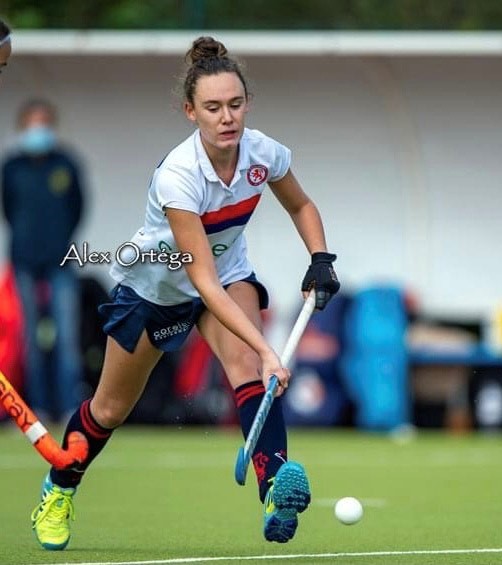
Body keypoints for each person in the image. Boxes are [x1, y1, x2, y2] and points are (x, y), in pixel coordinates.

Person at [29, 36, 340, 550]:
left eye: (236, 105)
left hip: (227, 271)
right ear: (190, 111)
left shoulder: (264, 153)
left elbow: (301, 206)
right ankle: (60, 487)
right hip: (158, 286)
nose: (227, 118)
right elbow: (200, 283)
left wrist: (320, 258)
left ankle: (274, 490)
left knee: (246, 369)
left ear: (247, 105)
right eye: (214, 107)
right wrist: (270, 350)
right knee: (109, 409)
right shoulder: (179, 176)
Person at [1, 99, 85, 423]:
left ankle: (67, 407)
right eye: (32, 124)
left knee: (66, 338)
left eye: (44, 123)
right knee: (29, 339)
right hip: (23, 261)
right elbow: (8, 209)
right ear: (23, 128)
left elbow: (77, 207)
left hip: (61, 260)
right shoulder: (12, 166)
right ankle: (36, 407)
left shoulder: (66, 163)